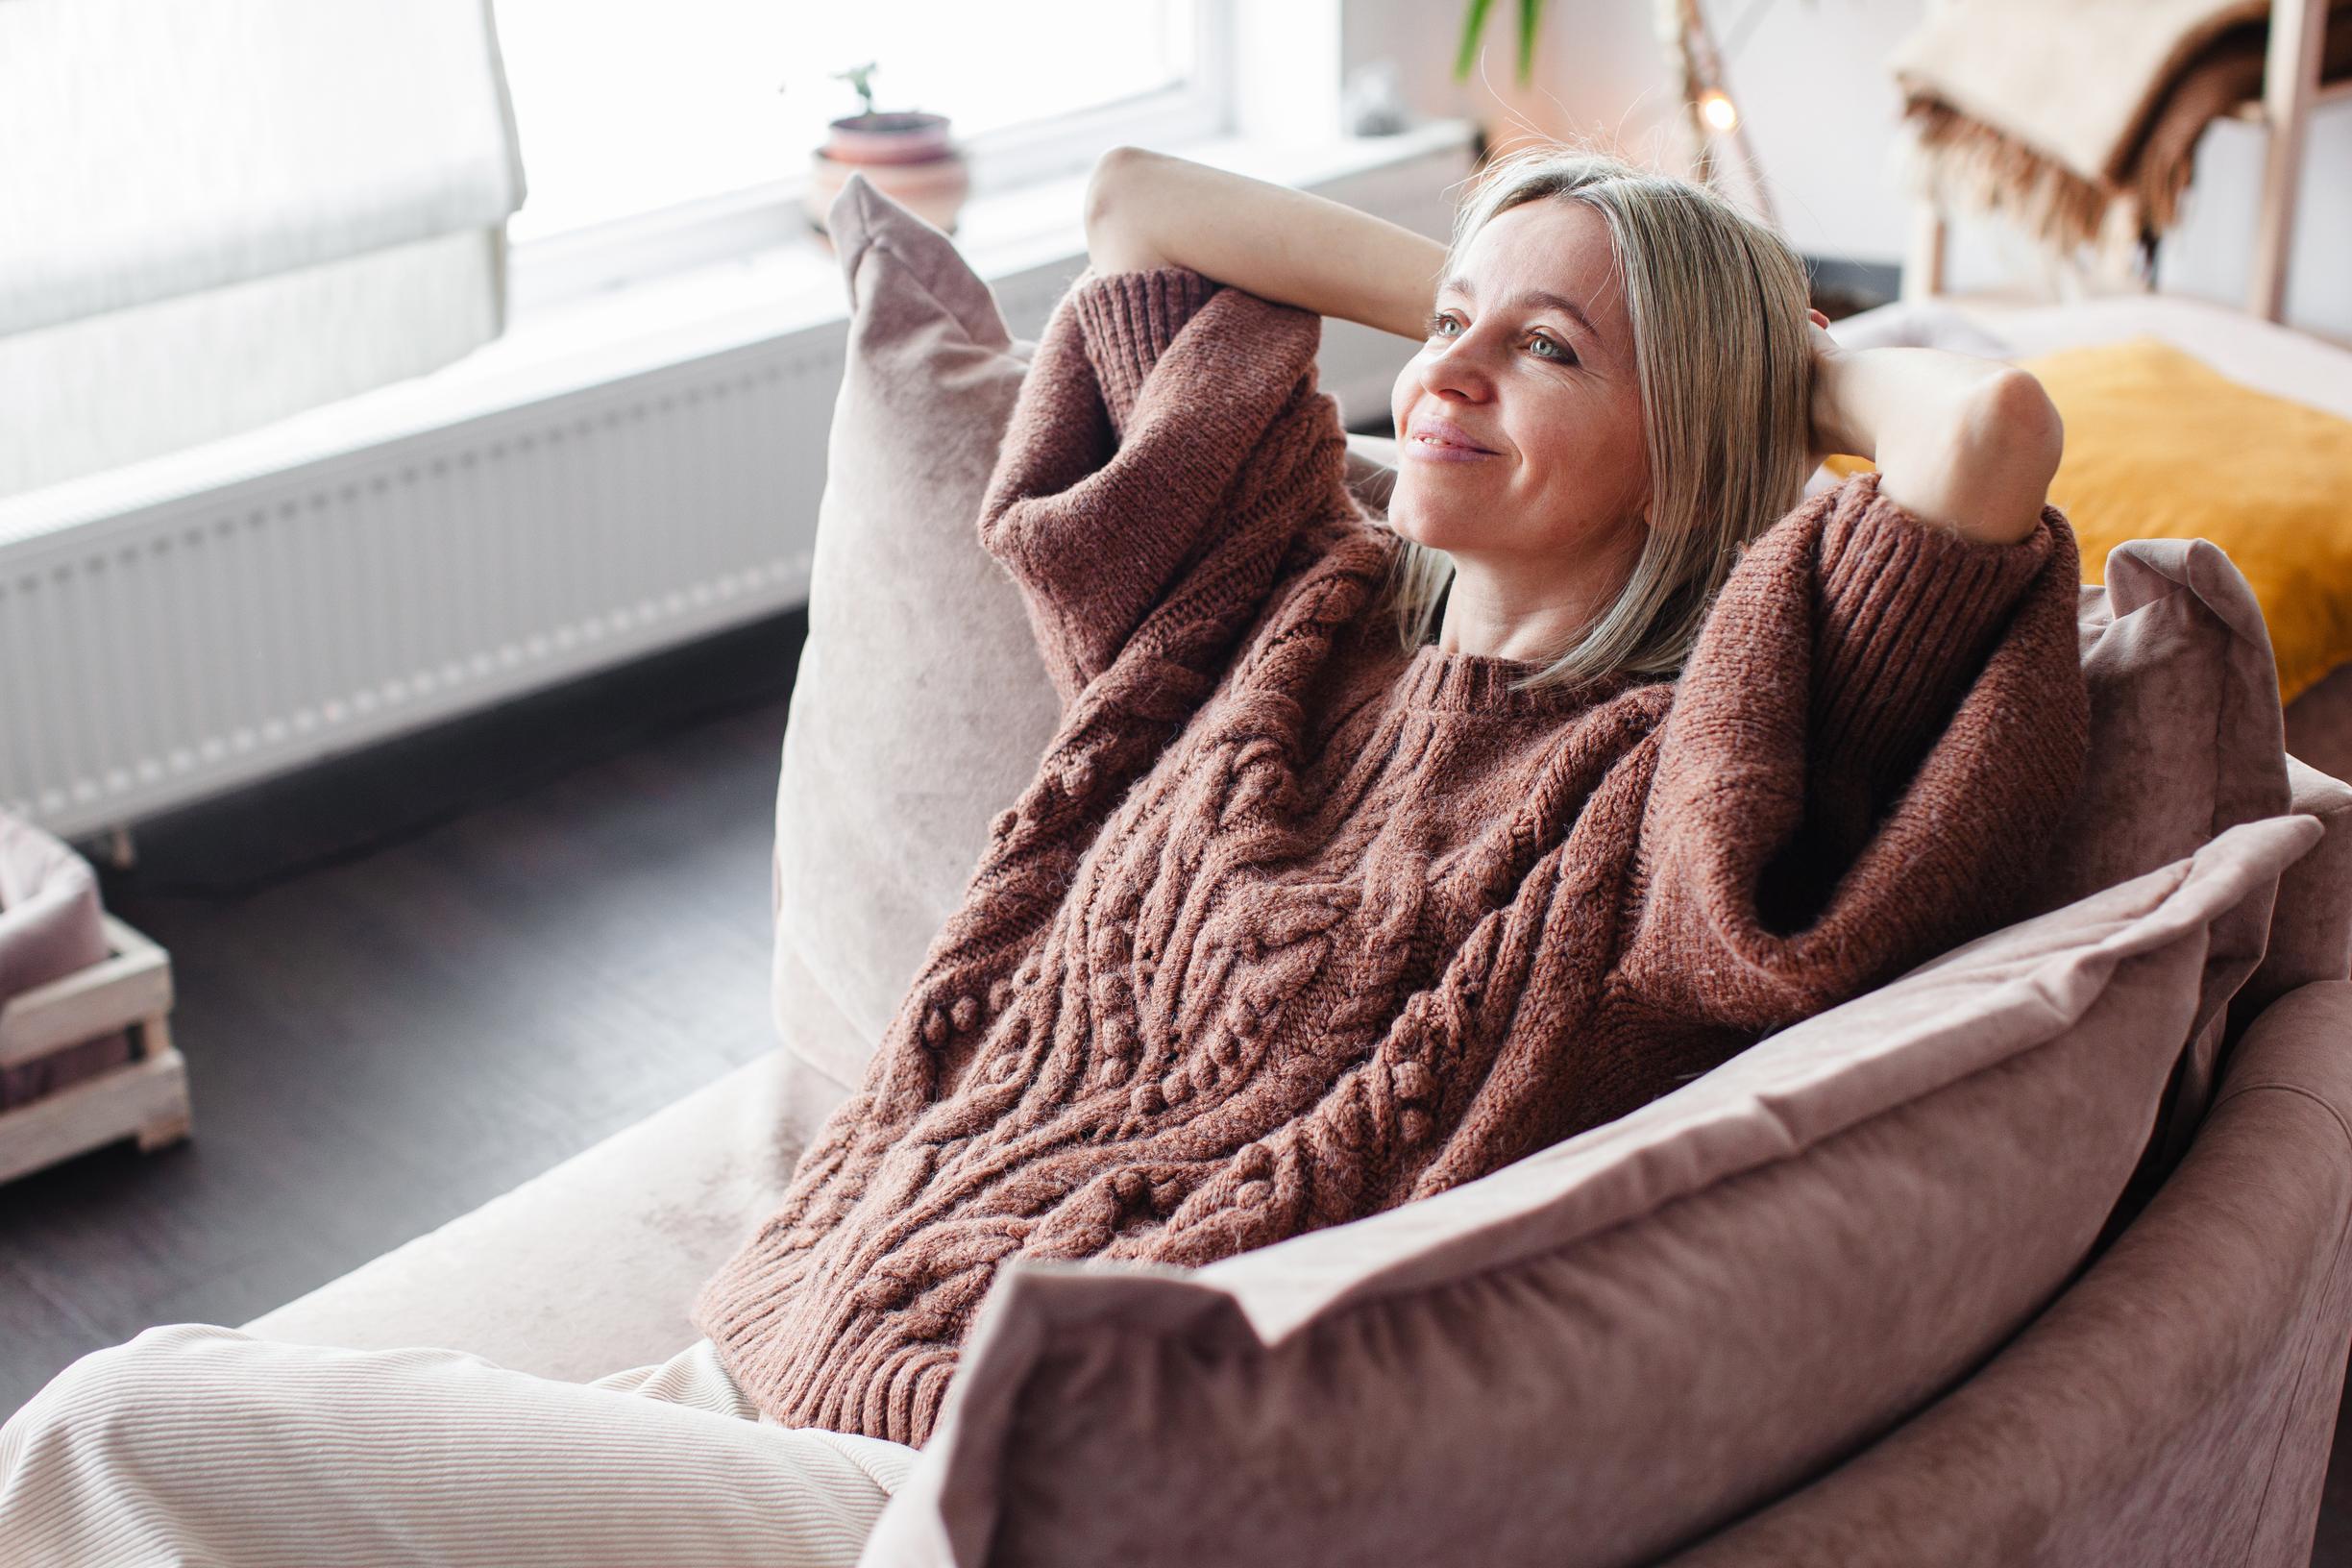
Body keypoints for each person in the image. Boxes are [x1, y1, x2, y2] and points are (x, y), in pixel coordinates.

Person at [0, 139, 2089, 1566]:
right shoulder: (1281, 604)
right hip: (764, 1378)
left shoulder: (1685, 782)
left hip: (970, 1503)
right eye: (1444, 323)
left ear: (1700, 433)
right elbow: (1135, 203)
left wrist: (1748, 348)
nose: (1444, 373)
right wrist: (1519, 282)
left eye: (1547, 354)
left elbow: (1985, 446)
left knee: (115, 1430)